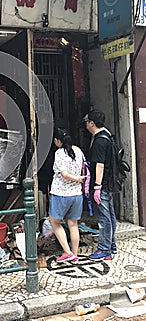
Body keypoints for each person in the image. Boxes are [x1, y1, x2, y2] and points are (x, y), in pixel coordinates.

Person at [49, 128, 85, 265]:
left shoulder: (59, 153)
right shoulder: (78, 150)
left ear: (58, 141)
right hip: (76, 194)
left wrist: (76, 179)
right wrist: (80, 180)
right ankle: (75, 255)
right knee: (73, 224)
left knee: (55, 222)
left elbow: (63, 174)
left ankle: (67, 252)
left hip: (61, 194)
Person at [83, 109, 116, 261]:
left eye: (87, 122)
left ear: (92, 123)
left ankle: (104, 250)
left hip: (102, 184)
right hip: (108, 183)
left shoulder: (99, 141)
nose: (86, 125)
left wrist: (97, 186)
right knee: (109, 214)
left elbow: (100, 165)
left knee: (103, 218)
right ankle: (111, 245)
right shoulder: (107, 135)